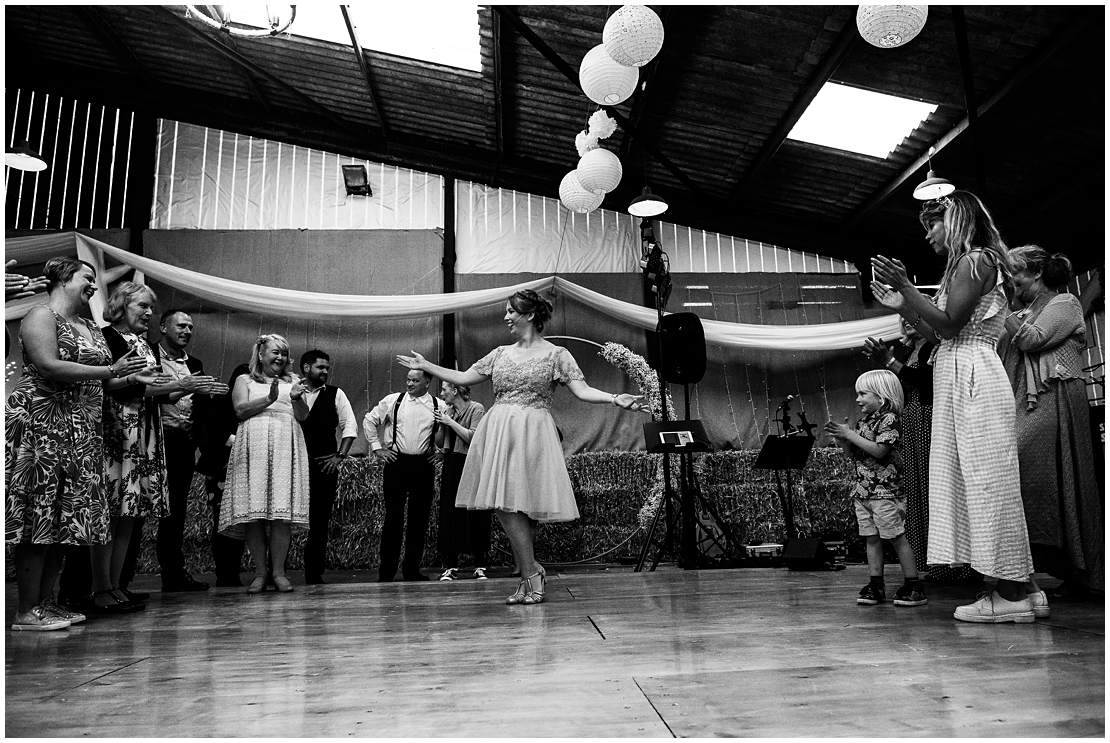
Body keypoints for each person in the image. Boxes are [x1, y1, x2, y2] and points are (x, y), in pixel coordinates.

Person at [398, 289, 646, 605]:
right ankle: (531, 571)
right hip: (500, 430)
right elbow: (463, 376)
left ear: (529, 315)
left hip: (534, 430)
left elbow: (582, 391)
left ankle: (530, 574)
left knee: (524, 506)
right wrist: (428, 365)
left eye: (511, 311)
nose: (506, 317)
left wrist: (615, 398)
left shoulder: (557, 355)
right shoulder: (499, 353)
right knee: (503, 503)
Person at [872, 190, 1037, 624]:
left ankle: (1010, 592)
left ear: (957, 220)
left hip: (973, 378)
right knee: (986, 480)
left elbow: (949, 325)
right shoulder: (972, 264)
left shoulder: (975, 260)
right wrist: (903, 303)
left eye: (933, 225)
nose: (928, 235)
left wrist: (908, 286)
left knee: (987, 482)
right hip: (963, 369)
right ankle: (1025, 588)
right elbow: (941, 333)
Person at [6, 258, 152, 630]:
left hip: (83, 433)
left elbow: (104, 382)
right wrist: (110, 370)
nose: (93, 286)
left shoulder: (88, 325)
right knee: (39, 518)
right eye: (87, 278)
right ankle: (25, 610)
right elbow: (48, 365)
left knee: (64, 521)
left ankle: (46, 603)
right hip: (44, 428)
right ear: (61, 280)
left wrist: (130, 375)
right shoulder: (41, 315)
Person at [999, 246, 1103, 603]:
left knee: (1055, 478)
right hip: (1031, 400)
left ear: (1037, 274)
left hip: (1056, 397)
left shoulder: (1065, 303)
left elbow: (1032, 340)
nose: (1012, 283)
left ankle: (1083, 572)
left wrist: (1003, 312)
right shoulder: (1025, 309)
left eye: (1017, 275)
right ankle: (1056, 569)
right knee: (1038, 481)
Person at [863, 322, 979, 585]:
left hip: (932, 420)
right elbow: (902, 390)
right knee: (919, 490)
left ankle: (958, 564)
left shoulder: (935, 347)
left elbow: (929, 384)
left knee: (938, 488)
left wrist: (890, 361)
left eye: (913, 317)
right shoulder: (909, 353)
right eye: (904, 319)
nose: (907, 323)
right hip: (913, 423)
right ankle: (934, 563)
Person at [94, 282, 175, 613]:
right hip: (116, 430)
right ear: (121, 306)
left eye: (151, 308)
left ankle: (116, 585)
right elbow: (102, 383)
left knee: (129, 513)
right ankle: (98, 588)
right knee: (110, 510)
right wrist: (135, 382)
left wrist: (179, 388)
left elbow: (151, 389)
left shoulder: (145, 345)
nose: (149, 313)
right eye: (142, 306)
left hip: (144, 432)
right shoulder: (106, 337)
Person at [825, 370, 925, 607]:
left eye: (863, 394)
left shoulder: (889, 420)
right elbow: (855, 455)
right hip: (864, 492)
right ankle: (876, 584)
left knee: (896, 537)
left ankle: (914, 585)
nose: (858, 399)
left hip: (885, 493)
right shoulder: (863, 422)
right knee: (871, 538)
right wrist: (845, 441)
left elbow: (880, 451)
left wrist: (851, 434)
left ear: (881, 397)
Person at [219, 335, 310, 594]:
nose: (280, 358)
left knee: (280, 513)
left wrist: (294, 398)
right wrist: (268, 399)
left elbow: (303, 416)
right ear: (260, 354)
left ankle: (279, 572)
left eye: (284, 353)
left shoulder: (293, 381)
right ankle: (260, 573)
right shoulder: (244, 379)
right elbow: (239, 411)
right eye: (275, 352)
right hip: (253, 446)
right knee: (255, 511)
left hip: (285, 444)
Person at [148, 309, 228, 592]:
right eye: (181, 325)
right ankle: (117, 578)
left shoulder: (194, 363)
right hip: (150, 441)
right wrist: (183, 387)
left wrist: (209, 399)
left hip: (182, 443)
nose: (187, 331)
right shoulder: (148, 355)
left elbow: (200, 406)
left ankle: (173, 574)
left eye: (191, 327)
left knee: (176, 511)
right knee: (135, 511)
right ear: (162, 327)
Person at [363, 369, 442, 582]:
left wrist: (444, 453)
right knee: (393, 519)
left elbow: (451, 431)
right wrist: (377, 448)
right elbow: (369, 421)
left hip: (423, 465)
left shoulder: (438, 405)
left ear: (427, 382)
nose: (409, 384)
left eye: (415, 380)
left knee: (419, 520)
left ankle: (411, 570)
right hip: (396, 463)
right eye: (407, 379)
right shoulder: (393, 401)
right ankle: (386, 572)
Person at [298, 349, 357, 585]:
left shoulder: (335, 393)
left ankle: (314, 573)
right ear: (305, 368)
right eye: (320, 367)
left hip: (324, 466)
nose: (325, 372)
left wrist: (339, 456)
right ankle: (276, 571)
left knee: (320, 520)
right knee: (283, 519)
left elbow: (350, 425)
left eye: (327, 368)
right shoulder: (291, 390)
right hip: (293, 464)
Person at [195, 363, 250, 587]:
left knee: (243, 525)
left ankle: (234, 572)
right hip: (221, 470)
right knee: (222, 523)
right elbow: (206, 431)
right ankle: (224, 573)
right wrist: (234, 440)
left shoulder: (255, 404)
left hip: (248, 471)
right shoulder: (220, 401)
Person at [433, 381, 490, 581]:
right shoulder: (448, 411)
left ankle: (480, 563)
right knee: (450, 511)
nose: (442, 394)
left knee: (475, 510)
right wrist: (442, 424)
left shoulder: (476, 408)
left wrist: (451, 423)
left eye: (444, 390)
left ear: (455, 391)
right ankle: (451, 565)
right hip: (453, 462)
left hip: (471, 461)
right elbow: (440, 443)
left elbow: (473, 437)